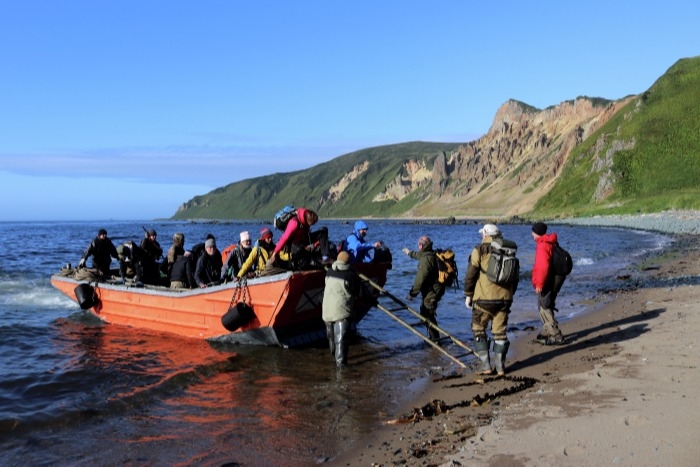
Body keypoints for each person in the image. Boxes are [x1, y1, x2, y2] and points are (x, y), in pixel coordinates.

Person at [464, 224, 519, 375]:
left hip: (484, 299)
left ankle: (486, 366)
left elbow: (471, 274)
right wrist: (510, 295)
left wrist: (468, 294)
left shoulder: (479, 249)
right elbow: (515, 277)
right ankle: (500, 367)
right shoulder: (509, 249)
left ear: (485, 235)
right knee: (500, 332)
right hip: (505, 299)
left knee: (479, 329)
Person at [322, 251, 362, 368]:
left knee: (331, 338)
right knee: (340, 340)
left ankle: (333, 361)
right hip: (341, 312)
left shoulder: (329, 271)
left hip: (326, 311)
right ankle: (341, 368)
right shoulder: (351, 274)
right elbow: (358, 293)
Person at [402, 235, 445, 341]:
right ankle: (433, 338)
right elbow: (419, 255)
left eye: (418, 245)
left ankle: (435, 340)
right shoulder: (430, 253)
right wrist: (409, 252)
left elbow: (420, 279)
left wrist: (412, 294)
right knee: (425, 312)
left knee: (427, 313)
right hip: (436, 289)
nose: (418, 247)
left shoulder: (426, 260)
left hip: (433, 291)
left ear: (421, 246)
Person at [531, 222, 565, 345]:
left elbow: (542, 267)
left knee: (544, 306)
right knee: (546, 304)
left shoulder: (542, 245)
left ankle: (555, 334)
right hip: (554, 279)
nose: (532, 234)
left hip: (547, 280)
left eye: (533, 232)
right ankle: (547, 330)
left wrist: (539, 284)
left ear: (538, 233)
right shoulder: (550, 242)